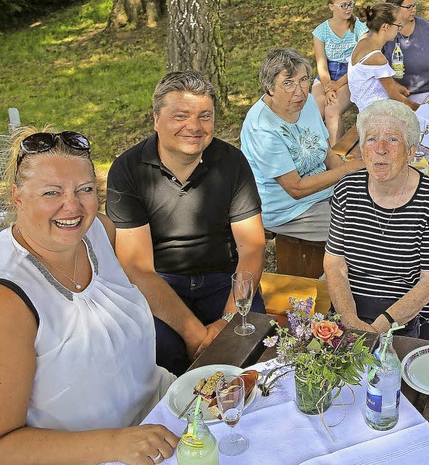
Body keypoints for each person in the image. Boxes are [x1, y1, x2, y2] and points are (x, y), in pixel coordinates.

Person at [0, 129, 178, 463]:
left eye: (85, 189)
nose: (73, 206)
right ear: (18, 197)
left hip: (168, 416)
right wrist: (115, 444)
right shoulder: (8, 297)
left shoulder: (99, 231)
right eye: (52, 192)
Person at [107, 70, 266, 376]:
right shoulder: (127, 170)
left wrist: (228, 320)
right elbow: (137, 268)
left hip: (225, 279)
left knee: (250, 346)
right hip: (161, 283)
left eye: (205, 116)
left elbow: (252, 248)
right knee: (156, 353)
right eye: (181, 115)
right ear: (156, 119)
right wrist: (195, 333)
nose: (194, 126)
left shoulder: (232, 162)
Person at [324, 100, 429, 343]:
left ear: (411, 151)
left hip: (418, 309)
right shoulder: (346, 190)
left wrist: (380, 326)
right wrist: (351, 320)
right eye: (371, 139)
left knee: (407, 375)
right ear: (363, 150)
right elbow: (335, 265)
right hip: (355, 302)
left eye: (393, 139)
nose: (380, 149)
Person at [241, 48, 364, 242]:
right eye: (288, 83)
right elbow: (296, 189)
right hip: (288, 210)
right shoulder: (261, 127)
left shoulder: (305, 103)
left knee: (382, 209)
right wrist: (348, 170)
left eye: (304, 80)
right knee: (362, 233)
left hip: (323, 192)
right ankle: (333, 273)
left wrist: (350, 183)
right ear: (270, 88)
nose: (299, 92)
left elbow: (326, 153)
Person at [312, 0, 368, 146]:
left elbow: (360, 62)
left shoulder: (359, 27)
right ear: (331, 7)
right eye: (344, 5)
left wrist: (338, 84)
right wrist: (328, 87)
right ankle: (319, 153)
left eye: (351, 4)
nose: (349, 8)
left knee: (331, 110)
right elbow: (321, 64)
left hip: (351, 74)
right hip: (327, 75)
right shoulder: (320, 31)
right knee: (314, 112)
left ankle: (337, 157)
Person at [348, 3, 415, 112]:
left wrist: (399, 87)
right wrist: (419, 107)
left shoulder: (362, 43)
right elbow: (396, 97)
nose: (399, 30)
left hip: (368, 108)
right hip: (378, 113)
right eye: (398, 25)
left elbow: (375, 80)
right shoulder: (377, 58)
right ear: (386, 27)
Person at [381, 0, 429, 105]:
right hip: (392, 93)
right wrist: (394, 86)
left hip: (426, 90)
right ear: (395, 9)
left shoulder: (424, 26)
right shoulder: (384, 30)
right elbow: (374, 66)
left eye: (414, 5)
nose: (414, 10)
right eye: (409, 7)